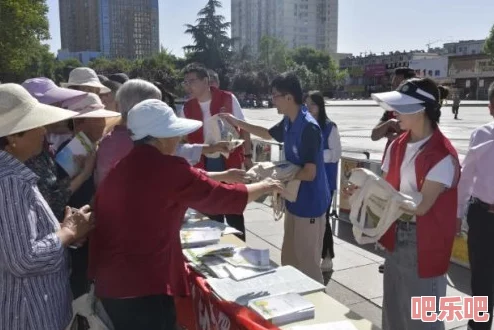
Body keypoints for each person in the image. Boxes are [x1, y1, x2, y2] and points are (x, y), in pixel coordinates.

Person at [88, 99, 283, 330]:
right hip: (143, 286)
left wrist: (223, 175)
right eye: (175, 134)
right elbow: (222, 198)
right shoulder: (167, 167)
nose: (179, 139)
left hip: (113, 282)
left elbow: (184, 182)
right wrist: (266, 185)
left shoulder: (123, 166)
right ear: (160, 138)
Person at [358, 78, 460, 330]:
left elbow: (422, 206)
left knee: (422, 320)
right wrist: (364, 191)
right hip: (396, 236)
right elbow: (387, 187)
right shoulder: (397, 145)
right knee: (394, 315)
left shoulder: (441, 155)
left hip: (424, 243)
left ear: (421, 109)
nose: (394, 114)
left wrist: (379, 192)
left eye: (402, 108)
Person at [0, 84, 94, 330]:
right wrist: (67, 233)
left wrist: (63, 231)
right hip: (28, 311)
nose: (43, 130)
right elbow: (23, 259)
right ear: (12, 138)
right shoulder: (10, 181)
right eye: (35, 125)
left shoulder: (14, 174)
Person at [222, 72, 330, 283]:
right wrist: (237, 122)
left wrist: (276, 174)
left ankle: (318, 307)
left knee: (308, 264)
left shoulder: (308, 127)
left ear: (289, 97)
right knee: (289, 259)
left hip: (310, 205)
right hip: (294, 201)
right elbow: (267, 134)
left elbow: (310, 173)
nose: (272, 100)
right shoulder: (290, 121)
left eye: (275, 96)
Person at [95, 79, 234, 186]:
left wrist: (212, 148)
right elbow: (175, 165)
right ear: (140, 106)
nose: (160, 107)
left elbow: (176, 151)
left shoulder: (117, 136)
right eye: (155, 103)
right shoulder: (131, 141)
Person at [182, 64, 254, 241]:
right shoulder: (187, 107)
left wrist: (248, 156)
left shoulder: (227, 99)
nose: (188, 85)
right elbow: (182, 138)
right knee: (210, 209)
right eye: (186, 82)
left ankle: (239, 248)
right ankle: (217, 247)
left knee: (233, 207)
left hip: (229, 159)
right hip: (203, 162)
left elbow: (244, 127)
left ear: (206, 81)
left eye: (192, 81)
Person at [62, 93, 121, 299]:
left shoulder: (94, 147)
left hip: (90, 228)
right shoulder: (71, 151)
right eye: (98, 118)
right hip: (78, 232)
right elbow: (61, 196)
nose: (103, 123)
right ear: (80, 122)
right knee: (80, 283)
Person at [22, 77, 95, 221]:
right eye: (56, 104)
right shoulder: (27, 152)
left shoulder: (40, 146)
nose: (62, 108)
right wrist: (84, 174)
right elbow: (50, 201)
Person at [372, 67, 417, 274]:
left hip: (409, 173)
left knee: (405, 213)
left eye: (397, 84)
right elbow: (374, 134)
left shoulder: (419, 112)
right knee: (388, 213)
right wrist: (390, 123)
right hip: (390, 169)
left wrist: (399, 137)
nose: (393, 88)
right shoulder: (391, 111)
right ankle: (389, 255)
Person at [457, 82, 494, 330]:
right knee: (481, 280)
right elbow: (466, 177)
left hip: (483, 215)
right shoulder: (481, 135)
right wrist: (457, 215)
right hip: (484, 218)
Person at [305, 91, 342, 272]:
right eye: (307, 104)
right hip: (309, 180)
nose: (308, 108)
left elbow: (336, 154)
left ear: (320, 106)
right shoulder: (305, 126)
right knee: (312, 220)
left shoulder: (329, 127)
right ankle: (312, 253)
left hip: (326, 182)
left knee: (324, 219)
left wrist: (316, 155)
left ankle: (327, 256)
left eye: (312, 104)